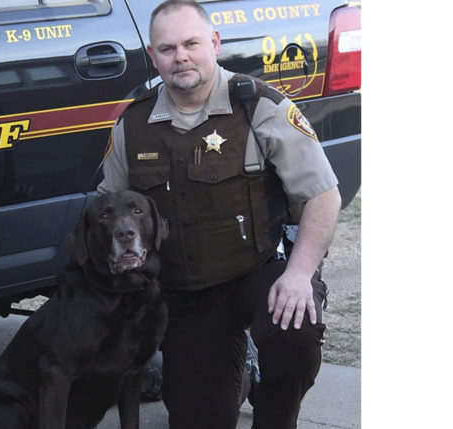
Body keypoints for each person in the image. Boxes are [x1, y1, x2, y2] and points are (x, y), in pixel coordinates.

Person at [97, 1, 342, 428]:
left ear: (214, 42)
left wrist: (300, 273)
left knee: (295, 331)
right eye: (167, 48)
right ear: (153, 57)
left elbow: (323, 195)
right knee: (199, 416)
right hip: (187, 293)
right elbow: (107, 206)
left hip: (259, 269)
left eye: (191, 43)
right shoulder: (132, 125)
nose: (181, 57)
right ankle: (235, 378)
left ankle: (275, 416)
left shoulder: (259, 106)